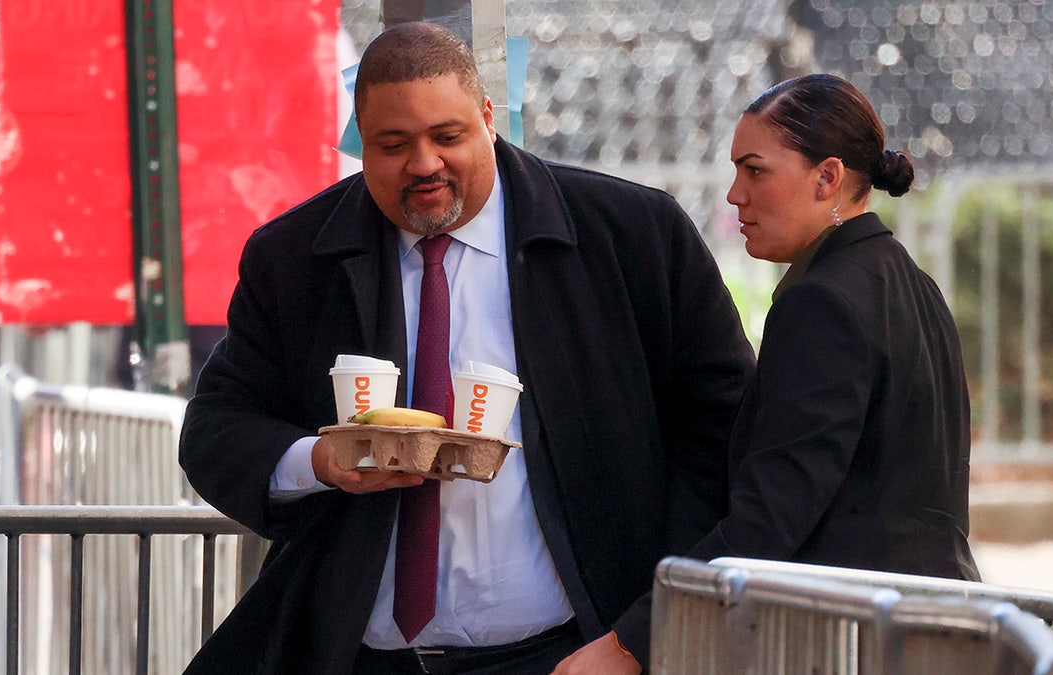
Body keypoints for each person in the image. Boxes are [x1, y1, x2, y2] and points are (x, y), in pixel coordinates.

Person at [177, 21, 755, 675]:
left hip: (572, 655)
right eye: (393, 144)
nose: (424, 163)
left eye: (447, 136)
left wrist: (640, 635)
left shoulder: (631, 235)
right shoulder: (294, 258)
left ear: (488, 116)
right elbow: (216, 431)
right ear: (359, 142)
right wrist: (319, 459)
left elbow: (726, 440)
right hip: (363, 657)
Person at [563, 72, 981, 669]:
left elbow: (773, 514)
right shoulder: (909, 283)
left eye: (755, 170)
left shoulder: (824, 301)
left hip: (854, 642)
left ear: (827, 178)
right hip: (929, 629)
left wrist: (632, 641)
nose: (736, 194)